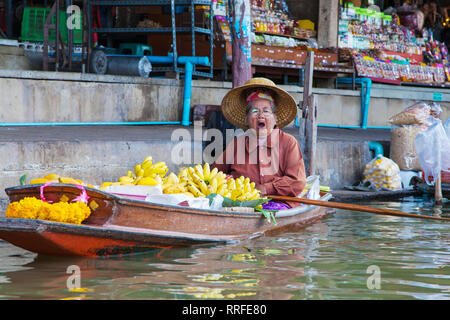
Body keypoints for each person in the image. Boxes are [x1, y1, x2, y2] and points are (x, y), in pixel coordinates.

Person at [212, 77, 306, 208]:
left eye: (266, 111)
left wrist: (265, 188)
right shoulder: (236, 144)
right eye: (254, 111)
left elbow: (297, 182)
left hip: (278, 203)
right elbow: (214, 174)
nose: (260, 115)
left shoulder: (289, 143)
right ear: (246, 119)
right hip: (240, 203)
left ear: (275, 118)